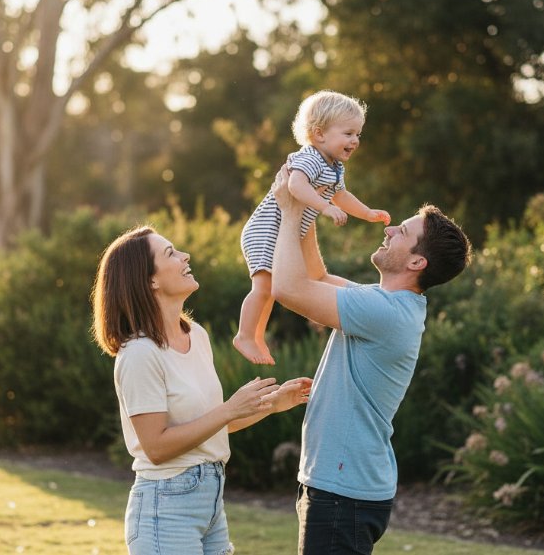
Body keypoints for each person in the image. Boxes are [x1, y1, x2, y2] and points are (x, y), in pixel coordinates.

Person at [269, 166, 472, 555]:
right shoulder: (386, 304)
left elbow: (288, 287)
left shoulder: (386, 312)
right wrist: (310, 208)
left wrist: (291, 211)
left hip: (343, 491)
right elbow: (315, 274)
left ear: (417, 263)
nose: (390, 229)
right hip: (342, 486)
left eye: (403, 232)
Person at [91, 226, 313, 555]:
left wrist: (271, 404)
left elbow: (209, 427)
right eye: (170, 253)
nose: (185, 256)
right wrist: (229, 408)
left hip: (210, 501)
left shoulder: (196, 335)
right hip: (164, 509)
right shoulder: (139, 353)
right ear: (150, 280)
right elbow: (156, 447)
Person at [235, 90, 390, 365]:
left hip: (285, 230)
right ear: (319, 134)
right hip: (266, 229)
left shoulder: (335, 167)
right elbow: (295, 185)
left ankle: (256, 336)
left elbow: (341, 195)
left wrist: (366, 213)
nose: (355, 140)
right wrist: (326, 207)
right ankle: (244, 335)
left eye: (357, 134)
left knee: (271, 288)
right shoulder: (310, 157)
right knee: (262, 287)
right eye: (348, 133)